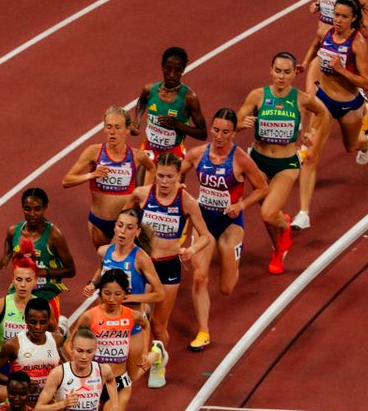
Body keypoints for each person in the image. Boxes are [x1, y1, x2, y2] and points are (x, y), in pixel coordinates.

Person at [182, 110, 267, 345]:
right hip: (204, 222)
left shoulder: (240, 159)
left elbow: (262, 188)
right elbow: (178, 172)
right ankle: (203, 332)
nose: (219, 136)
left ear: (233, 133)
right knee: (199, 276)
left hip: (230, 223)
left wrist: (242, 204)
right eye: (216, 130)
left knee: (227, 288)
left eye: (225, 132)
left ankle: (232, 258)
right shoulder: (197, 154)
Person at [237, 52, 324, 269]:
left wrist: (312, 131)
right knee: (268, 211)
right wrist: (241, 123)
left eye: (286, 72)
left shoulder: (300, 98)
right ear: (271, 71)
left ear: (295, 73)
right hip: (258, 161)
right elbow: (236, 120)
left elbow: (322, 112)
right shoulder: (257, 96)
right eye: (277, 71)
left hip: (286, 165)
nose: (281, 77)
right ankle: (278, 249)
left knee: (267, 214)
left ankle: (283, 227)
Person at [132, 150, 213, 382]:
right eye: (160, 176)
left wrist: (192, 250)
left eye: (170, 177)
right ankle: (137, 360)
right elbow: (125, 217)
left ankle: (159, 362)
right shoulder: (141, 195)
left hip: (169, 267)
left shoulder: (186, 202)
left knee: (159, 326)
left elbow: (205, 235)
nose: (165, 182)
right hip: (143, 265)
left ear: (179, 175)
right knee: (137, 315)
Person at [297, 0, 368, 227]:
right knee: (310, 157)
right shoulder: (326, 33)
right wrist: (307, 68)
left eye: (343, 16)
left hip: (349, 103)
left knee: (351, 146)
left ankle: (367, 142)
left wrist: (341, 70)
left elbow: (367, 82)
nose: (338, 20)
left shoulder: (358, 44)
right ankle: (303, 213)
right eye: (335, 15)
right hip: (324, 101)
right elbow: (315, 53)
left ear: (353, 19)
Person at [70, 270, 147, 411]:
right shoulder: (90, 316)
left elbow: (145, 324)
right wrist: (75, 361)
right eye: (106, 293)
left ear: (125, 295)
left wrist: (147, 351)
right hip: (93, 382)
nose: (111, 299)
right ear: (100, 293)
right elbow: (72, 340)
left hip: (120, 382)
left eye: (117, 294)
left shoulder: (131, 316)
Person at [35, 327, 122, 411]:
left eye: (89, 352)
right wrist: (63, 404)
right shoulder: (59, 374)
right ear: (71, 348)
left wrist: (115, 407)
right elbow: (39, 410)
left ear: (95, 350)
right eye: (79, 351)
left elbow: (110, 381)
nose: (84, 356)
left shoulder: (103, 370)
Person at [62, 107, 140, 243]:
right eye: (108, 127)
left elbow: (151, 168)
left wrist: (141, 192)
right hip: (98, 222)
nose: (112, 132)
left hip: (124, 224)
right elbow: (67, 181)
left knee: (118, 262)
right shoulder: (94, 152)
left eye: (117, 127)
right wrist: (92, 175)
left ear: (127, 130)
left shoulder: (136, 155)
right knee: (104, 262)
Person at [0, 187, 75, 315]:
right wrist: (5, 258)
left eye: (37, 209)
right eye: (27, 208)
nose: (32, 214)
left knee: (42, 331)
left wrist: (42, 272)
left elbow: (71, 270)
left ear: (45, 207)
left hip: (46, 291)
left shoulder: (54, 235)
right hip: (19, 289)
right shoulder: (14, 231)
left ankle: (60, 327)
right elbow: (9, 242)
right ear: (22, 207)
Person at [131, 47, 206, 166]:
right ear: (162, 67)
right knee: (140, 183)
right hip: (149, 147)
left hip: (174, 152)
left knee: (170, 184)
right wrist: (137, 120)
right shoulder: (149, 90)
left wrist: (177, 124)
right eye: (168, 69)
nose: (172, 74)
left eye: (177, 70)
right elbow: (142, 102)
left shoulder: (189, 99)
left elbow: (202, 134)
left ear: (183, 70)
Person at [0, 255, 42, 362]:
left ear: (36, 280)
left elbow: (55, 335)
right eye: (19, 279)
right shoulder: (0, 305)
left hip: (32, 366)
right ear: (12, 280)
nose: (23, 284)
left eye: (28, 280)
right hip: (4, 365)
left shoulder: (42, 307)